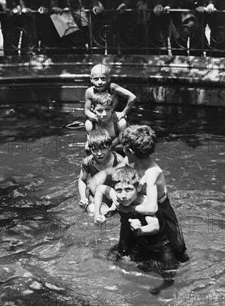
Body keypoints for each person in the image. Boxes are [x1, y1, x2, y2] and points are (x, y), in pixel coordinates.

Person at [93, 125, 188, 264]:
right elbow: (117, 183)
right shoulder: (129, 161)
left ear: (130, 150)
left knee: (175, 252)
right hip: (133, 206)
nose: (121, 148)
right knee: (125, 250)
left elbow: (151, 207)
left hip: (159, 211)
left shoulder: (152, 172)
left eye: (124, 147)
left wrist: (125, 208)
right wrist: (114, 205)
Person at [94, 165, 181, 295]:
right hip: (133, 235)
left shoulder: (145, 204)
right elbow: (100, 189)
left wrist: (140, 229)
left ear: (138, 188)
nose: (123, 195)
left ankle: (164, 287)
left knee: (168, 273)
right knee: (122, 257)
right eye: (119, 190)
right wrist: (97, 214)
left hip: (159, 243)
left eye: (128, 190)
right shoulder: (118, 198)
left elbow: (155, 225)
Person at [78, 129, 124, 213]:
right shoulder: (87, 162)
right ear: (90, 149)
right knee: (91, 210)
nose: (99, 153)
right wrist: (83, 198)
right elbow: (82, 180)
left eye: (103, 149)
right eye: (95, 150)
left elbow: (124, 183)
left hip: (114, 193)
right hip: (96, 193)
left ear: (109, 146)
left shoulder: (119, 161)